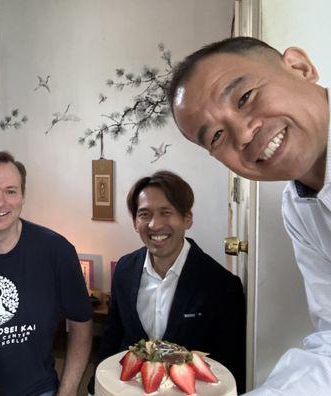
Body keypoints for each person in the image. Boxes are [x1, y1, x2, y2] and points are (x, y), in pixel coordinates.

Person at [168, 36, 331, 394]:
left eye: (245, 97)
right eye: (216, 136)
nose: (243, 134)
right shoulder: (300, 208)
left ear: (301, 68)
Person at [0, 151, 93, 396]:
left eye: (11, 191)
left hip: (38, 390)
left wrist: (68, 391)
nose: (1, 203)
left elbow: (81, 323)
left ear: (22, 196)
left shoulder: (57, 252)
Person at [91, 171, 245, 393]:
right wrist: (94, 387)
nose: (154, 224)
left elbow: (231, 366)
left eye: (166, 212)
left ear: (187, 218)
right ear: (135, 222)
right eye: (144, 214)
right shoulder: (125, 269)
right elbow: (113, 335)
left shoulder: (221, 285)